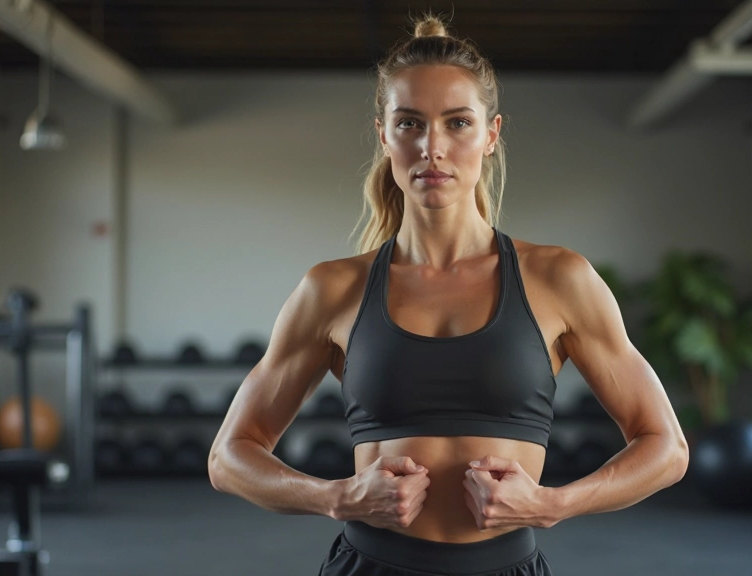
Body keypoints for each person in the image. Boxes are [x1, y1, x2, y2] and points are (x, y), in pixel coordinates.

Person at [209, 13, 689, 576]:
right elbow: (229, 456)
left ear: (491, 134)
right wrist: (336, 497)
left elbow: (666, 448)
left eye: (457, 122)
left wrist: (553, 504)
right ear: (384, 134)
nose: (432, 147)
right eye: (410, 123)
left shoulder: (560, 279)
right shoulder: (332, 289)